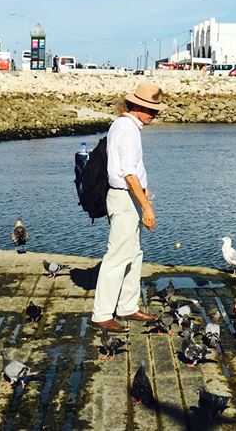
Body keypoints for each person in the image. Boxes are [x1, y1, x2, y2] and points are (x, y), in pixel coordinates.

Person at [91, 81, 166, 332]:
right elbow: (128, 174)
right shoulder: (128, 129)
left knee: (133, 254)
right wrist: (147, 206)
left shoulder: (125, 126)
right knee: (117, 256)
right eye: (150, 110)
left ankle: (126, 306)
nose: (153, 116)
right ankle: (102, 314)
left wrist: (143, 196)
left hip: (128, 197)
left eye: (155, 111)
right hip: (124, 198)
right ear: (135, 106)